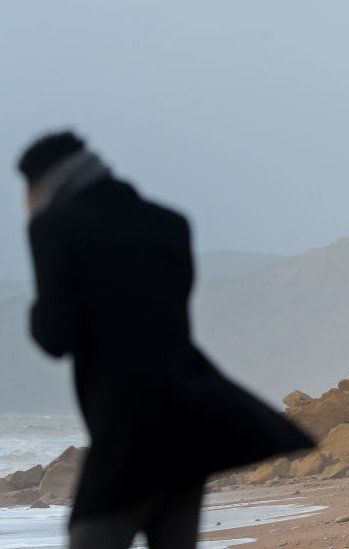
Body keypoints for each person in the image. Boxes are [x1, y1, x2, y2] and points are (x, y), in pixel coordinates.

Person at [18, 132, 315, 549]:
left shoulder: (55, 226)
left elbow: (53, 336)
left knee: (92, 536)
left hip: (127, 423)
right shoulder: (168, 223)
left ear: (44, 183)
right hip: (188, 415)